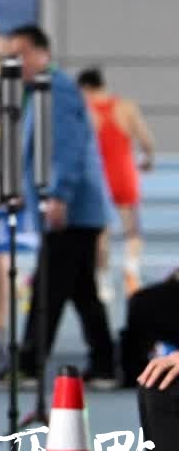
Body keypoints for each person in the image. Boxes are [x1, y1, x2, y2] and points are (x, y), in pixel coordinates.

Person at [6, 26, 117, 387]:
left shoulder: (58, 90)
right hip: (71, 208)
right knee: (82, 292)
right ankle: (104, 364)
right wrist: (25, 191)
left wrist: (58, 195)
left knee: (48, 289)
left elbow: (69, 148)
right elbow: (39, 150)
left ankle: (29, 363)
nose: (15, 62)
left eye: (21, 53)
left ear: (43, 54)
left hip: (72, 209)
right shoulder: (40, 91)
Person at [81, 66, 155, 298]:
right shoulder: (126, 108)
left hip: (100, 176)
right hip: (124, 173)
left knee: (101, 233)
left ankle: (103, 280)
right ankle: (131, 269)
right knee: (132, 229)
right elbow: (146, 140)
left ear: (86, 88)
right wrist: (148, 159)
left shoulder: (86, 111)